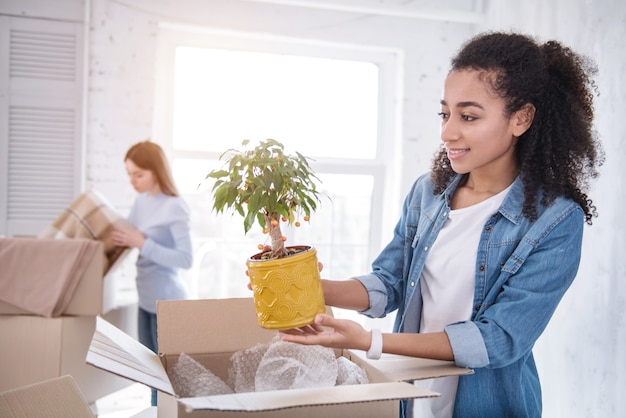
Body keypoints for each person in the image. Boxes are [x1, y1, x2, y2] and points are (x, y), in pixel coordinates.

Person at [281, 31, 603, 418]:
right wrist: (305, 287)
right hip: (413, 399)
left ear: (521, 118)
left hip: (489, 405)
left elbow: (500, 339)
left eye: (468, 116)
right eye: (445, 113)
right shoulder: (428, 192)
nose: (448, 132)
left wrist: (372, 341)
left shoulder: (555, 220)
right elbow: (391, 282)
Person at [111, 140, 193, 406]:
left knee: (165, 377)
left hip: (167, 300)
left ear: (156, 171)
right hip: (145, 297)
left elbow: (185, 258)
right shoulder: (141, 201)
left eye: (138, 174)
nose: (132, 181)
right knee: (150, 374)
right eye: (129, 175)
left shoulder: (175, 206)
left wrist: (143, 243)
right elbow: (127, 234)